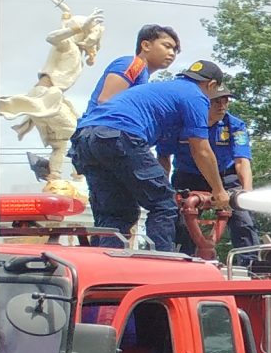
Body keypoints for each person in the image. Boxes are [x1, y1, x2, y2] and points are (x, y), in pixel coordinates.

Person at [70, 61, 231, 252]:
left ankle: (106, 263)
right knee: (164, 204)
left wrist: (158, 183)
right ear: (212, 85)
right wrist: (219, 191)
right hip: (120, 135)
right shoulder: (196, 96)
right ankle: (161, 264)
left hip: (85, 139)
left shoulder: (163, 92)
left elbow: (162, 156)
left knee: (116, 213)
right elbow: (201, 149)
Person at [168, 94, 257, 257]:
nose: (222, 106)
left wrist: (247, 193)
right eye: (216, 101)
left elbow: (242, 161)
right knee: (180, 222)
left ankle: (251, 263)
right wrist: (164, 191)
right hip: (188, 176)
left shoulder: (235, 126)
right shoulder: (181, 123)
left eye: (225, 101)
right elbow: (163, 155)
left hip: (225, 177)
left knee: (244, 220)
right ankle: (180, 260)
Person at [89, 24, 179, 107]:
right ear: (146, 45)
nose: (172, 53)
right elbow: (106, 102)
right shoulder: (133, 64)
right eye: (167, 46)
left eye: (175, 50)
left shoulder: (143, 74)